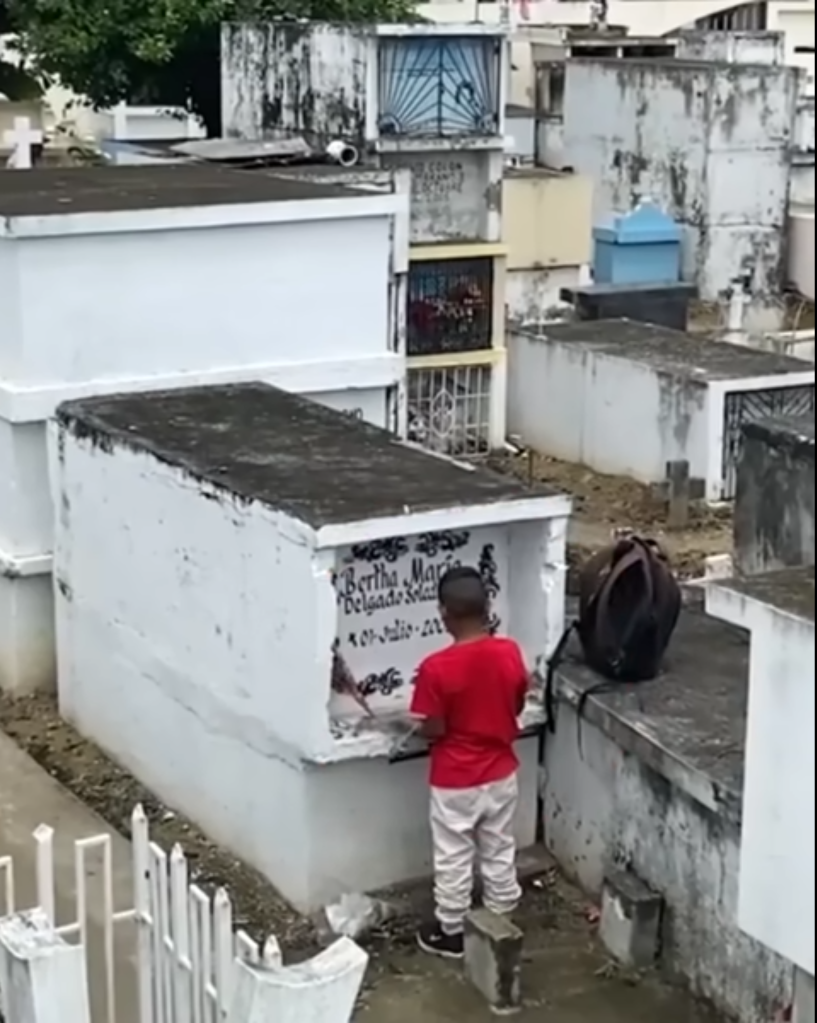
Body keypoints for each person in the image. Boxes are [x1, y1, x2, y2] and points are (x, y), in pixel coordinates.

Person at [409, 565, 529, 959]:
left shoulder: (435, 668)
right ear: (486, 606)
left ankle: (454, 931)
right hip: (500, 771)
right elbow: (515, 704)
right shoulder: (509, 652)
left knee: (454, 856)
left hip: (456, 778)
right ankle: (501, 918)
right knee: (498, 847)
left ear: (443, 612)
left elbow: (434, 729)